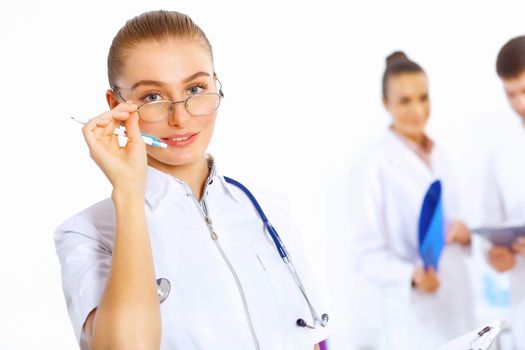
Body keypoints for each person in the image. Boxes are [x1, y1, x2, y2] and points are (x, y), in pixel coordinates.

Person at [54, 10, 327, 350]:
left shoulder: (269, 208)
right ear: (116, 107)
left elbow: (314, 337)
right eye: (152, 97)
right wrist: (128, 193)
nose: (181, 118)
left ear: (216, 85)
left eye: (196, 88)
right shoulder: (87, 233)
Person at [347, 52, 475, 349]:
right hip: (414, 320)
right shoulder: (371, 165)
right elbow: (365, 254)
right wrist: (411, 277)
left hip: (458, 307)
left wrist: (465, 233)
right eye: (404, 101)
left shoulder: (440, 153)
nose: (417, 109)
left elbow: (451, 219)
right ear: (385, 103)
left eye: (423, 97)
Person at [478, 35, 525, 349]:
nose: (519, 104)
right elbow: (492, 224)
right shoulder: (501, 152)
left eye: (524, 90)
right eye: (510, 94)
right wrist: (497, 257)